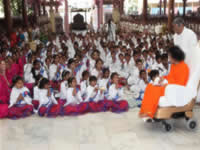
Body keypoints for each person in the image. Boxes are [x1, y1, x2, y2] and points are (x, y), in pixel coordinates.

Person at [139, 46, 189, 120]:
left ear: (175, 57)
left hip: (175, 89)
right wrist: (162, 78)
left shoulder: (184, 67)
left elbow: (180, 84)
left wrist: (166, 83)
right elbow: (170, 76)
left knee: (155, 90)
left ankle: (150, 113)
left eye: (169, 56)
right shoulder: (173, 65)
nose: (168, 58)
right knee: (150, 86)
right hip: (169, 85)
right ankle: (146, 112)